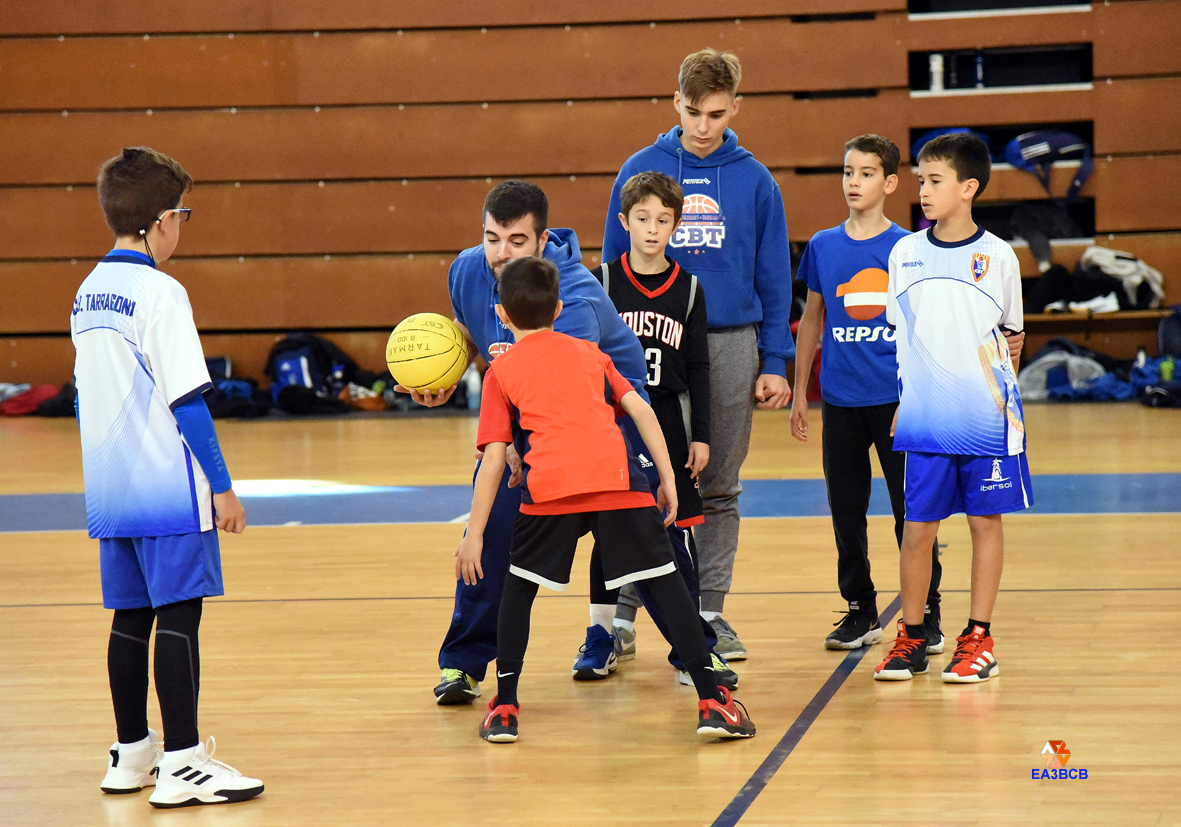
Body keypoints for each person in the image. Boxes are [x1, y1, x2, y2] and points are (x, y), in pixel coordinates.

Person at [414, 181, 732, 704]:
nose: (500, 253)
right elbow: (469, 335)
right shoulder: (468, 269)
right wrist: (443, 375)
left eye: (516, 242)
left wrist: (518, 443)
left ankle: (696, 651)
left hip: (606, 424)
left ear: (541, 241)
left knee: (655, 539)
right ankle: (464, 664)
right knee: (489, 528)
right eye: (492, 238)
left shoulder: (575, 298)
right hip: (526, 420)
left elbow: (569, 394)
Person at [455, 256, 755, 743]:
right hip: (618, 484)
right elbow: (641, 407)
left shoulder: (501, 370)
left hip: (549, 492)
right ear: (559, 308)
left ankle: (505, 706)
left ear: (502, 315)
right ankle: (711, 700)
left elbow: (492, 460)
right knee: (666, 585)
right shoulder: (592, 355)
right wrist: (667, 478)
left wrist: (473, 536)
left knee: (519, 590)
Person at [72, 147, 263, 808]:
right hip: (166, 485)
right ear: (159, 220)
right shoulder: (161, 292)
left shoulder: (87, 289)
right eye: (183, 212)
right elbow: (187, 399)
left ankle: (132, 751)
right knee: (181, 614)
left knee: (130, 616)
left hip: (109, 489)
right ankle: (184, 759)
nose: (183, 224)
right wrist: (223, 484)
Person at [602, 48, 794, 659]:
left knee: (718, 483)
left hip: (731, 340)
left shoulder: (756, 179)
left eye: (716, 114)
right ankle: (624, 618)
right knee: (633, 477)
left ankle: (709, 613)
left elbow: (773, 274)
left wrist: (776, 359)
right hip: (644, 337)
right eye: (693, 112)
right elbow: (606, 271)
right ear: (675, 102)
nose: (703, 126)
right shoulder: (640, 168)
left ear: (735, 107)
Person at [875, 133, 1032, 683]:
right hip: (925, 421)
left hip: (988, 419)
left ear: (968, 188)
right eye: (920, 180)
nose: (923, 190)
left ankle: (979, 639)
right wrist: (904, 401)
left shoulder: (999, 257)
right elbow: (902, 340)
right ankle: (911, 637)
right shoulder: (904, 255)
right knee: (917, 529)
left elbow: (1012, 336)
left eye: (934, 180)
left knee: (985, 523)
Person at [789, 135, 944, 653]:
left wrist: (916, 393)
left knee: (912, 511)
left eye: (866, 173)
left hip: (899, 403)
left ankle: (929, 612)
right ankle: (860, 609)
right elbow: (812, 318)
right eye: (848, 172)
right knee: (846, 511)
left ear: (890, 182)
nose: (854, 182)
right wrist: (797, 393)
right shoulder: (823, 246)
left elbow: (923, 328)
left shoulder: (908, 248)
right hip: (841, 401)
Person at [592, 171, 713, 682]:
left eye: (663, 220)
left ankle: (691, 648)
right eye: (642, 219)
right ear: (624, 222)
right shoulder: (601, 282)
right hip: (613, 428)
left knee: (677, 533)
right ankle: (600, 638)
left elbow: (702, 367)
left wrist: (702, 434)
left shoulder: (687, 290)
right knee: (607, 532)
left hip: (667, 425)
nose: (651, 229)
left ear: (676, 227)